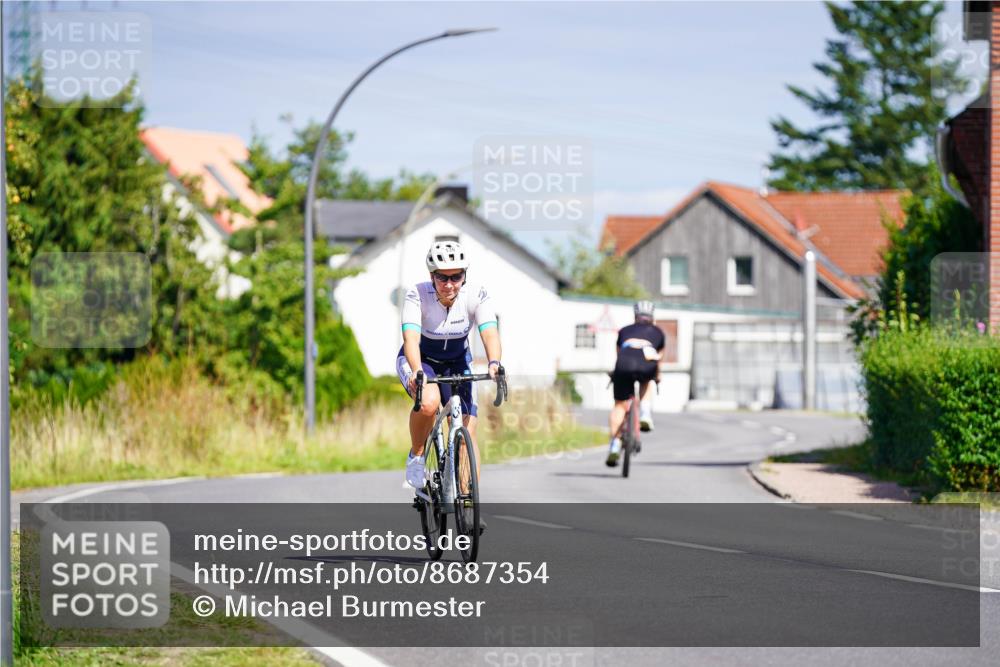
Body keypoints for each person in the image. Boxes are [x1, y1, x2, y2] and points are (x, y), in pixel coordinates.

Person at [396, 240, 502, 496]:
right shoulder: (417, 294)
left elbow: (489, 333)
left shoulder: (476, 295)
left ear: (465, 275)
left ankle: (467, 499)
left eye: (457, 276)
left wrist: (494, 363)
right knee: (429, 403)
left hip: (457, 361)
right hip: (423, 361)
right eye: (443, 277)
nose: (450, 284)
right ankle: (417, 455)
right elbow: (411, 339)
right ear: (432, 276)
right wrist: (416, 371)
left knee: (468, 427)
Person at [606, 300, 664, 467]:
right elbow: (658, 358)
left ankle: (615, 445)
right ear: (652, 317)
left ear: (635, 316)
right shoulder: (658, 332)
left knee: (619, 405)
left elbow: (619, 355)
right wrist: (657, 377)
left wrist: (615, 374)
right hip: (646, 363)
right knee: (647, 380)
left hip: (624, 364)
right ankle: (645, 414)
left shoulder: (624, 330)